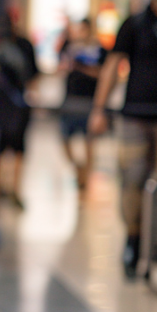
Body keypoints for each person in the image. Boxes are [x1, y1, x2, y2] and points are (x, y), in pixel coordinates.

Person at [90, 0, 157, 278]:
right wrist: (100, 109)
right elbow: (113, 66)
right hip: (135, 115)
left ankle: (152, 245)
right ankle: (133, 239)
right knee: (132, 180)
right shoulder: (134, 24)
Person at [0, 15, 38, 208]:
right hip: (18, 103)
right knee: (16, 149)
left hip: (2, 104)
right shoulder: (23, 46)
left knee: (1, 148)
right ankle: (10, 189)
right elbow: (33, 74)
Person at [59, 18, 106, 192]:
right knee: (64, 139)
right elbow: (60, 67)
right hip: (70, 99)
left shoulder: (99, 50)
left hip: (90, 101)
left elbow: (104, 74)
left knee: (89, 143)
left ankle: (85, 178)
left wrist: (82, 68)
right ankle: (78, 170)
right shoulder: (70, 48)